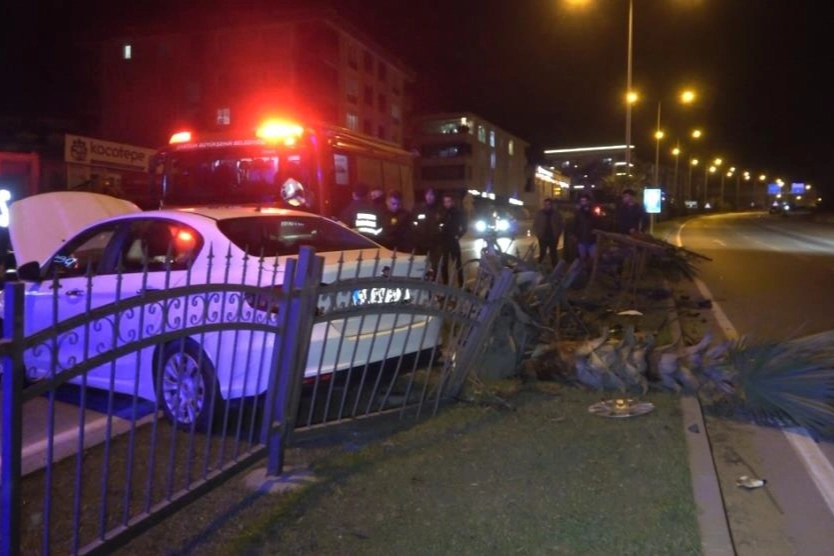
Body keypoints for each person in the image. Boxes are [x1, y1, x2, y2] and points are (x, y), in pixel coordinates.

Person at [438, 193, 467, 286]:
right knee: (444, 264)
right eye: (445, 202)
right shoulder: (442, 212)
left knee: (458, 263)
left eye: (449, 201)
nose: (447, 204)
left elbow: (464, 227)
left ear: (452, 202)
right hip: (444, 241)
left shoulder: (458, 213)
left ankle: (461, 284)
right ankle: (445, 284)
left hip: (453, 241)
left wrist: (458, 235)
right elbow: (438, 223)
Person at [412, 188, 443, 270]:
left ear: (435, 196)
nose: (429, 197)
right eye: (428, 194)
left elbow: (443, 225)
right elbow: (413, 223)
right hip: (421, 245)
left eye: (431, 194)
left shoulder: (440, 210)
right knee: (421, 267)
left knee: (434, 266)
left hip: (435, 245)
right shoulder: (419, 209)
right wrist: (416, 237)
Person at [533, 198, 564, 267]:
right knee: (542, 253)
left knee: (553, 254)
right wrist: (538, 235)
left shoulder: (556, 214)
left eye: (548, 204)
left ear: (551, 205)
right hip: (543, 237)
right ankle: (540, 268)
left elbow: (561, 224)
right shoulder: (540, 213)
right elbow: (535, 224)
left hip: (553, 237)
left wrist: (557, 234)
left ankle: (555, 268)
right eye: (545, 204)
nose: (547, 206)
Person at [573, 193, 599, 266]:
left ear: (588, 202)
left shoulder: (593, 212)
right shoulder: (578, 213)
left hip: (592, 241)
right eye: (581, 201)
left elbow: (597, 223)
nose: (583, 203)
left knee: (592, 260)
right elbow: (575, 225)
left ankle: (590, 271)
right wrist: (575, 235)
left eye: (584, 201)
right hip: (582, 240)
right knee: (582, 259)